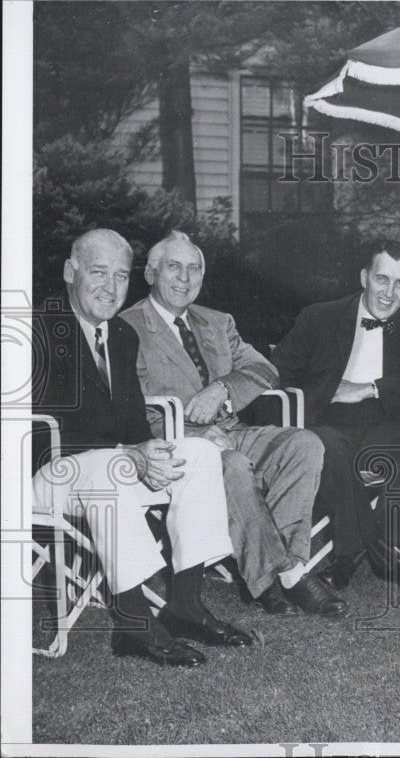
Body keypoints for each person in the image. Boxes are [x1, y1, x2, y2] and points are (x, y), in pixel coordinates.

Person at [32, 228, 251, 668]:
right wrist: (127, 452)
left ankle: (186, 602)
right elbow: (40, 431)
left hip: (108, 466)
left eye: (120, 276)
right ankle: (134, 621)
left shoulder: (121, 336)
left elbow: (131, 424)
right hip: (47, 473)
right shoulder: (37, 330)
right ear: (69, 271)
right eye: (98, 273)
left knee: (199, 454)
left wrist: (146, 450)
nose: (110, 288)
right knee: (106, 468)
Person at [120, 232, 344, 619]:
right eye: (173, 267)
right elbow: (131, 408)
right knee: (231, 465)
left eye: (194, 269)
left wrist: (222, 390)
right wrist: (194, 434)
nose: (184, 278)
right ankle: (278, 578)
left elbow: (264, 368)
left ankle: (283, 566)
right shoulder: (128, 327)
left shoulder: (218, 322)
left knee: (304, 444)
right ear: (152, 273)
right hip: (171, 444)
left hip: (231, 430)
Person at [271, 240, 400, 589]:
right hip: (327, 424)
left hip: (384, 426)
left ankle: (362, 550)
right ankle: (383, 556)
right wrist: (327, 392)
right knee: (326, 446)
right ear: (364, 277)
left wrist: (372, 388)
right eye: (382, 279)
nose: (389, 293)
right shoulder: (319, 316)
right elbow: (279, 373)